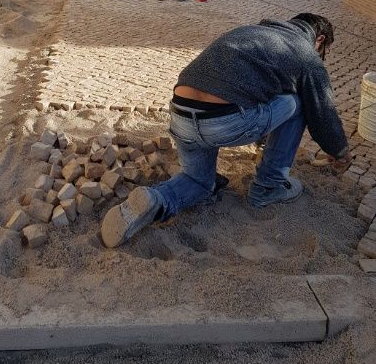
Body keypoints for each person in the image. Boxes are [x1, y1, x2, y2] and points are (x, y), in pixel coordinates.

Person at [101, 13, 353, 248]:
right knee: (300, 101)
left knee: (198, 181)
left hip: (180, 115)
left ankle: (156, 200)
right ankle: (269, 185)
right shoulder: (306, 55)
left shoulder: (251, 33)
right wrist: (339, 151)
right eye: (323, 51)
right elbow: (322, 112)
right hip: (223, 122)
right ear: (319, 40)